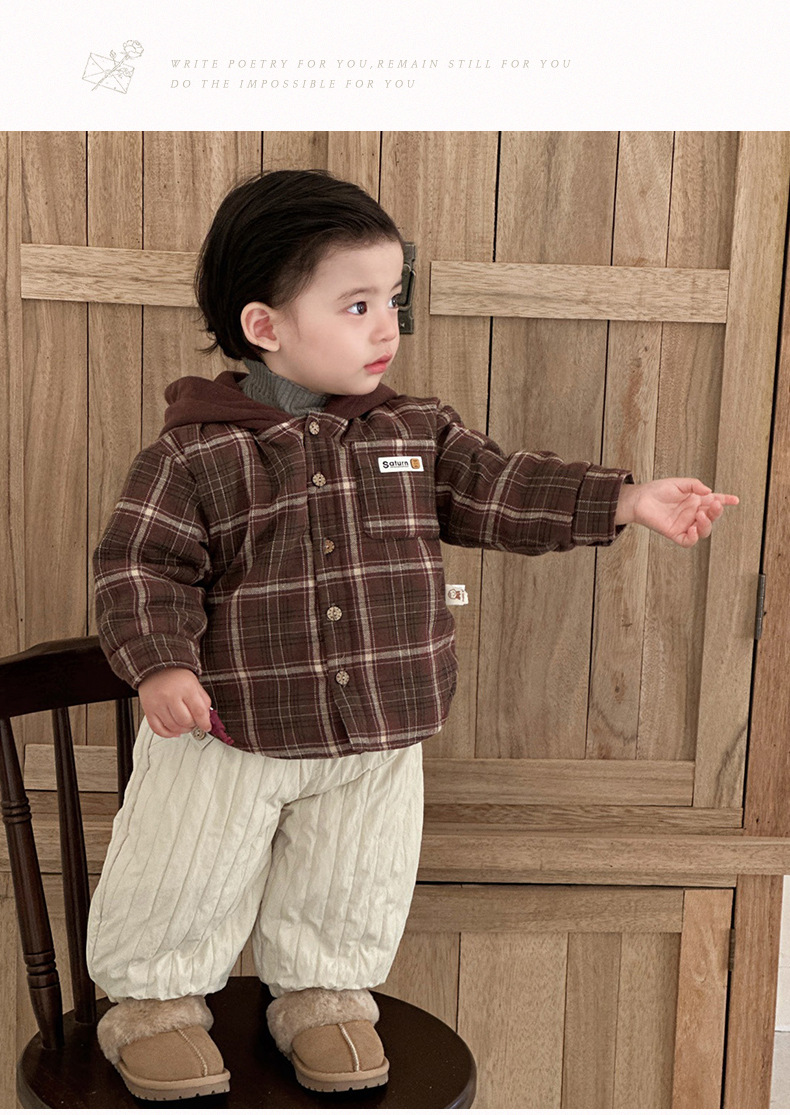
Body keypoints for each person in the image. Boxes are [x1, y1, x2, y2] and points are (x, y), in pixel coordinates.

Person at [85, 168, 739, 1101]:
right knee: (184, 862)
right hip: (228, 730)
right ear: (265, 325)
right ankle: (152, 1002)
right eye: (356, 305)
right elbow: (141, 567)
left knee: (352, 872)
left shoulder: (415, 431)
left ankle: (322, 992)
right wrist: (159, 666)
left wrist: (627, 500)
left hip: (379, 731)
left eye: (393, 300)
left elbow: (502, 486)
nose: (386, 326)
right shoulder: (196, 454)